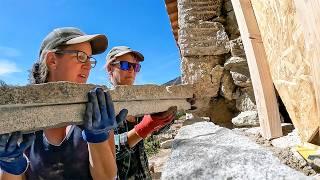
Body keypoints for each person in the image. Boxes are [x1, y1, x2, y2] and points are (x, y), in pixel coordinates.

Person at [0, 27, 127, 180]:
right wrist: (11, 167)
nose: (88, 66)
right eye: (81, 56)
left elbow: (107, 177)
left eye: (89, 59)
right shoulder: (22, 121)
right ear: (52, 60)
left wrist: (97, 139)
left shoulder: (97, 113)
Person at [105, 46, 176, 179]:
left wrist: (167, 115)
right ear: (110, 69)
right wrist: (143, 128)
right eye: (125, 65)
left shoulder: (139, 102)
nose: (132, 70)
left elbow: (155, 130)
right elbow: (107, 149)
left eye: (135, 67)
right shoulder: (103, 103)